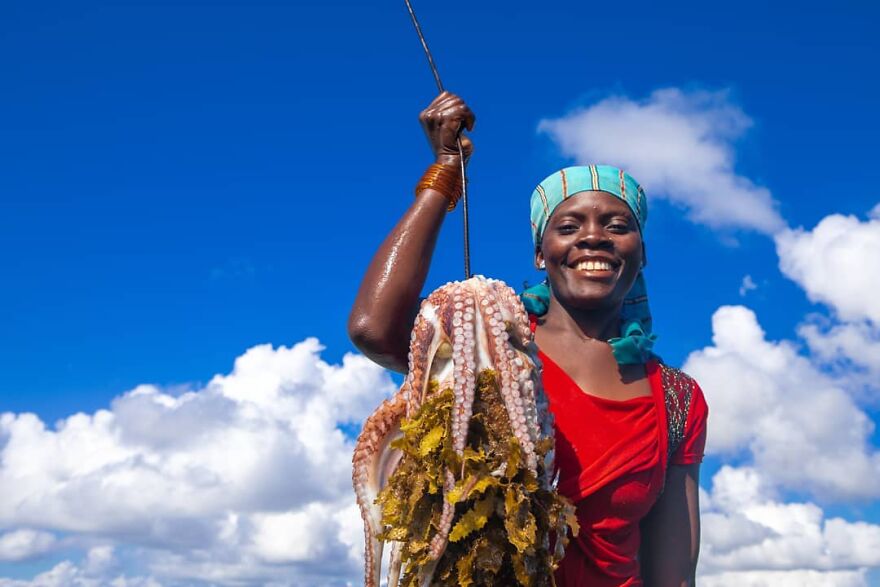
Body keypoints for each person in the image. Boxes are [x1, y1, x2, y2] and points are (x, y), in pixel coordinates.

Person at [348, 91, 708, 587]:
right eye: (569, 226)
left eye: (617, 225)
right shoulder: (490, 347)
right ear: (541, 253)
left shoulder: (677, 399)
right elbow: (373, 329)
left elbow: (674, 576)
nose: (594, 236)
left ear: (640, 254)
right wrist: (445, 173)